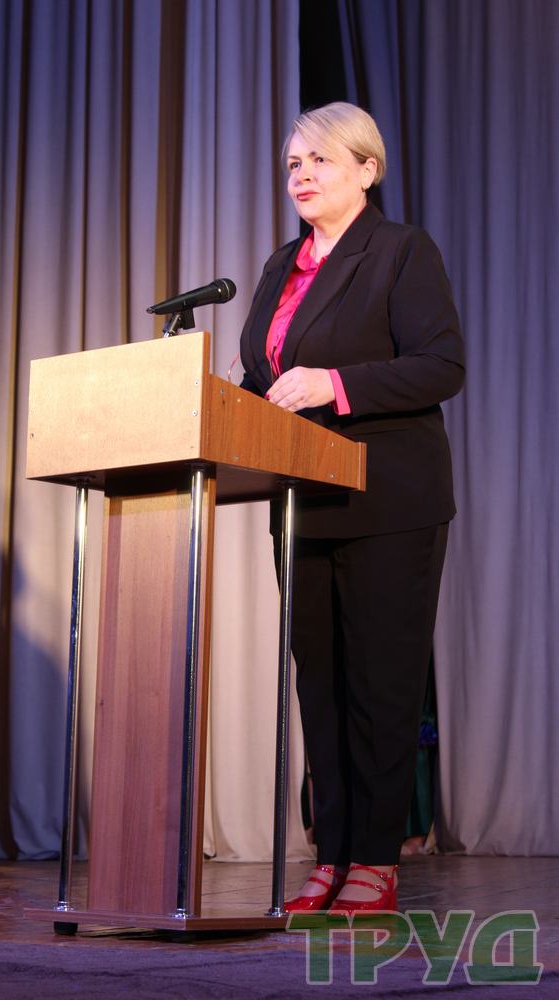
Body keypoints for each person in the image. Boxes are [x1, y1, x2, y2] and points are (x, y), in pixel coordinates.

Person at [239, 102, 465, 913]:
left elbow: (440, 366)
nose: (300, 174)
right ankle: (329, 853)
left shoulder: (400, 251)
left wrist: (334, 385)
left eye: (319, 160)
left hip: (387, 497)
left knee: (380, 682)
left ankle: (374, 856)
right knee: (320, 685)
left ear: (367, 170)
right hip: (301, 498)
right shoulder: (280, 265)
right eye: (291, 163)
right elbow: (265, 378)